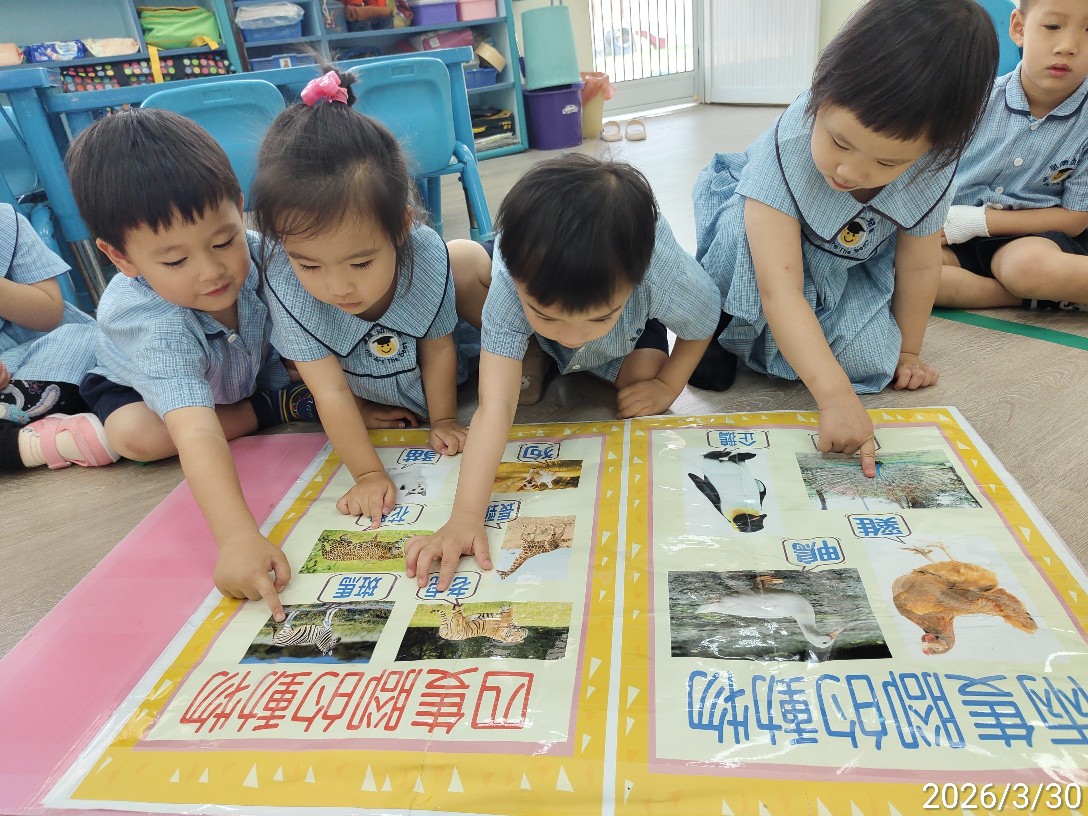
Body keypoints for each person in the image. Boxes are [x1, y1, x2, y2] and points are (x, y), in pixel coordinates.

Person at [691, 0, 998, 477]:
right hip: (763, 255)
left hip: (840, 265)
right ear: (820, 92)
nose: (850, 171)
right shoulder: (790, 145)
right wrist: (833, 397)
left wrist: (908, 351)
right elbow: (779, 287)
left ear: (935, 149)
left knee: (873, 361)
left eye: (888, 162)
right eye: (839, 142)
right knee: (738, 243)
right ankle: (720, 327)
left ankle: (778, 342)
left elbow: (919, 263)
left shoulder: (933, 170)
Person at [403, 153, 722, 588]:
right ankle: (533, 347)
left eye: (598, 316)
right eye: (547, 315)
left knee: (644, 377)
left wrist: (668, 385)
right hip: (537, 320)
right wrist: (464, 517)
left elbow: (702, 324)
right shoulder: (512, 279)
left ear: (636, 280)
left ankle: (555, 335)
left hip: (624, 338)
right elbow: (495, 406)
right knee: (459, 261)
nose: (572, 336)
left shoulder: (662, 271)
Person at [66, 109, 317, 621]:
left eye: (224, 241)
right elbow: (196, 430)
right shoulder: (146, 315)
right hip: (144, 392)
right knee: (137, 437)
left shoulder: (265, 256)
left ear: (239, 208)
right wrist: (238, 538)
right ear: (121, 258)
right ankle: (277, 407)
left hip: (249, 369)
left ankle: (276, 397)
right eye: (175, 261)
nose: (211, 271)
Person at [251, 69, 468, 528]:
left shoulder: (426, 255)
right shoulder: (283, 279)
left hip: (430, 385)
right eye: (310, 265)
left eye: (361, 263)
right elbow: (328, 389)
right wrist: (368, 473)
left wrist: (444, 419)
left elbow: (439, 347)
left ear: (401, 227)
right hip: (359, 398)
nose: (337, 287)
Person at [936, 0, 1088, 312]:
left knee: (1027, 269)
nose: (1068, 47)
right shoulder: (975, 101)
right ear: (1019, 28)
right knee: (905, 270)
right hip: (953, 232)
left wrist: (978, 221)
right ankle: (1024, 297)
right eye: (1052, 26)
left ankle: (1034, 286)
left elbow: (1075, 219)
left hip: (1033, 239)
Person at [0, 203, 117, 471]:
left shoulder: (5, 223)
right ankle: (33, 443)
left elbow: (49, 313)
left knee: (87, 338)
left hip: (42, 361)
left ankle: (21, 433)